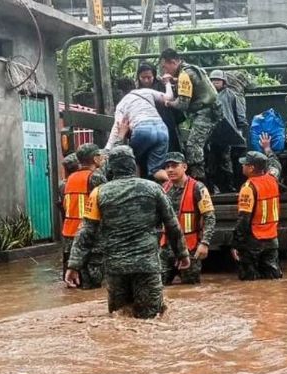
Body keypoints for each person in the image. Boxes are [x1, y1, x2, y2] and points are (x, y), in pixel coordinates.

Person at [65, 146, 190, 319]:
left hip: (116, 270)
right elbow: (172, 225)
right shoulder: (154, 189)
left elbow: (86, 231)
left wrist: (73, 265)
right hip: (147, 266)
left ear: (111, 168)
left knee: (120, 317)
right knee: (151, 319)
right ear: (133, 165)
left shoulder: (99, 193)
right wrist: (182, 254)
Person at [159, 48, 221, 184]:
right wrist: (173, 81)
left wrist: (169, 103)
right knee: (202, 146)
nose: (165, 71)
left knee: (193, 146)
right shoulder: (190, 70)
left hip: (206, 112)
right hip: (211, 110)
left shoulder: (184, 75)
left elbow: (182, 104)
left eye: (165, 66)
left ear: (173, 62)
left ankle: (199, 181)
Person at [159, 152, 216, 285]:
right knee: (159, 288)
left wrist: (205, 243)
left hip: (189, 248)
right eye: (167, 167)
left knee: (191, 288)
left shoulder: (198, 188)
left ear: (184, 167)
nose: (170, 170)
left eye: (174, 166)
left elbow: (209, 217)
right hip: (166, 248)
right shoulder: (163, 189)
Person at [106, 76, 174, 182]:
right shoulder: (145, 91)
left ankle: (136, 189)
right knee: (156, 170)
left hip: (142, 129)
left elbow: (118, 128)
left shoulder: (122, 104)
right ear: (134, 85)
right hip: (162, 128)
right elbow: (168, 97)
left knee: (133, 161)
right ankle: (177, 185)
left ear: (119, 91)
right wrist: (167, 83)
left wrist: (107, 149)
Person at [60, 143, 107, 289]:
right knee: (91, 283)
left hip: (69, 234)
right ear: (95, 159)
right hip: (89, 236)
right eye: (100, 156)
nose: (103, 158)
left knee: (72, 282)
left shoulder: (69, 179)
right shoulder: (96, 177)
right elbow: (105, 205)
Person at [231, 151, 282, 281]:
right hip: (272, 239)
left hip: (253, 240)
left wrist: (236, 244)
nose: (242, 166)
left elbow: (244, 218)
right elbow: (276, 165)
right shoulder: (273, 179)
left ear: (251, 168)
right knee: (273, 279)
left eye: (244, 164)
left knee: (249, 280)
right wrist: (269, 151)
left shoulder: (248, 187)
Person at [206, 69, 249, 194]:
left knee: (227, 161)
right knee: (212, 161)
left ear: (224, 82)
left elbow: (239, 114)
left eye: (218, 80)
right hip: (212, 133)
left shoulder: (230, 95)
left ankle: (229, 186)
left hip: (228, 132)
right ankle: (215, 186)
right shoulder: (208, 95)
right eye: (212, 80)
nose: (215, 83)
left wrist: (239, 129)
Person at [136, 62, 183, 154]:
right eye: (143, 78)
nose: (146, 80)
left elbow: (171, 99)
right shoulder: (136, 91)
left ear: (154, 76)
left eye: (149, 77)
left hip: (165, 124)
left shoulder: (162, 86)